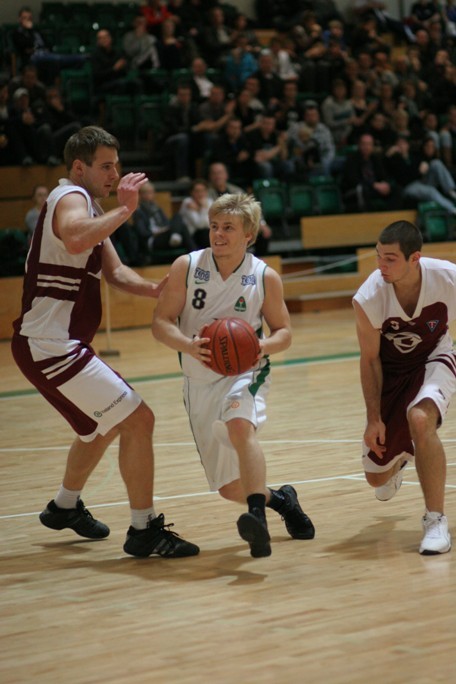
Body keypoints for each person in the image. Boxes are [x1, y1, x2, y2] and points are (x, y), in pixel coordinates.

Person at [11, 126, 199, 559]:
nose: (115, 174)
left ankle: (64, 506)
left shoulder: (90, 207)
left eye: (117, 165)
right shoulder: (70, 198)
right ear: (79, 167)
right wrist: (127, 209)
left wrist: (154, 289)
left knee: (102, 426)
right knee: (139, 420)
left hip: (52, 343)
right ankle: (144, 529)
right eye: (106, 166)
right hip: (51, 345)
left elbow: (114, 272)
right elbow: (77, 236)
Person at [152, 193, 315, 557]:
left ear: (248, 235)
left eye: (228, 228)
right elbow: (160, 323)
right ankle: (282, 500)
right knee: (228, 488)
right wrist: (188, 344)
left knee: (241, 427)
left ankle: (257, 519)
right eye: (214, 226)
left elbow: (284, 332)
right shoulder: (187, 266)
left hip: (246, 370)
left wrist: (261, 347)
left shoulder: (264, 276)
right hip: (198, 379)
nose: (218, 234)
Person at [353, 220, 454, 555]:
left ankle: (435, 520)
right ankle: (402, 460)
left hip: (434, 358)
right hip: (390, 372)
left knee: (420, 420)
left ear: (415, 258)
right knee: (376, 480)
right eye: (378, 256)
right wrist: (373, 419)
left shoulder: (447, 279)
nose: (381, 265)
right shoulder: (368, 297)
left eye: (390, 258)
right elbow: (370, 360)